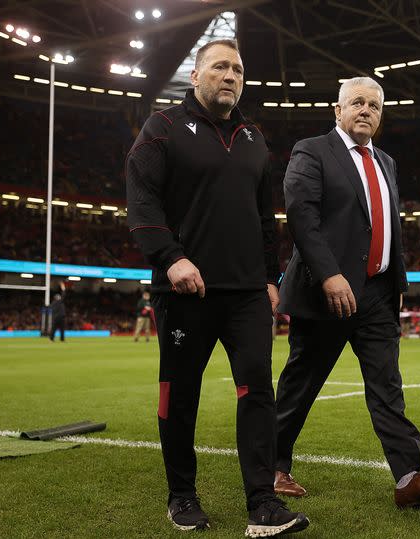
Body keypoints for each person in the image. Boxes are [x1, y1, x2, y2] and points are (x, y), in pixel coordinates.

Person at [125, 38, 308, 537]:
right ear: (196, 76)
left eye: (238, 70)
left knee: (257, 393)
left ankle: (263, 504)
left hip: (248, 292)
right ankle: (182, 495)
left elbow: (264, 219)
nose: (231, 76)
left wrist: (271, 279)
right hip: (186, 291)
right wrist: (173, 259)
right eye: (221, 67)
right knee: (179, 395)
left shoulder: (253, 137)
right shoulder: (162, 128)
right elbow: (141, 207)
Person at [274, 77, 420, 508]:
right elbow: (302, 217)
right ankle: (272, 466)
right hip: (327, 292)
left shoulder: (386, 162)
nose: (365, 110)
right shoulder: (312, 150)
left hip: (377, 294)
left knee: (386, 385)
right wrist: (328, 274)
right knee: (301, 384)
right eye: (356, 102)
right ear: (336, 110)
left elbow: (388, 225)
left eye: (374, 105)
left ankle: (409, 478)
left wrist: (397, 282)